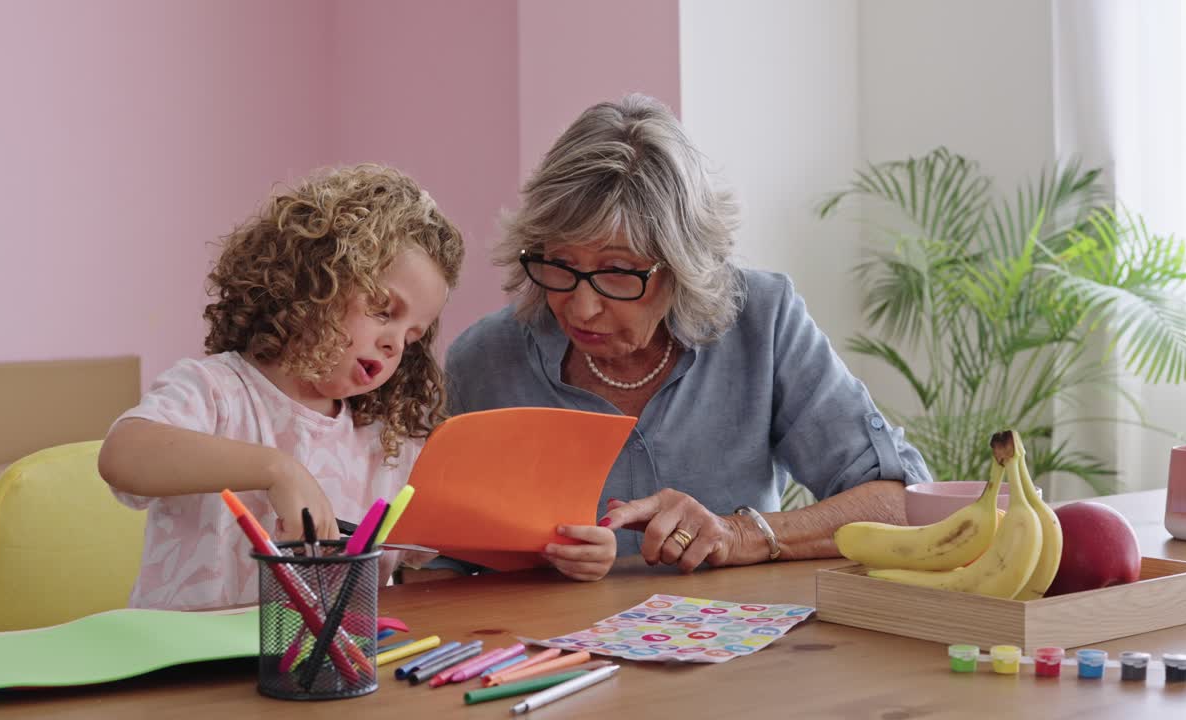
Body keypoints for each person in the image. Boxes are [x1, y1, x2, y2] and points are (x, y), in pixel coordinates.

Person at [445, 94, 933, 579]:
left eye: (618, 271)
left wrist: (740, 534)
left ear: (682, 267)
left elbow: (904, 504)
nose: (581, 306)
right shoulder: (485, 362)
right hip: (548, 651)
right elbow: (440, 564)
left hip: (745, 651)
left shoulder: (762, 322)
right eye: (561, 264)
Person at [99, 165, 463, 610]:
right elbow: (122, 455)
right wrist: (278, 471)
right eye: (383, 310)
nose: (393, 343)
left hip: (318, 669)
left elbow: (451, 544)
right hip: (183, 668)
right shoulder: (217, 391)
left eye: (412, 337)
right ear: (315, 281)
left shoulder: (384, 444)